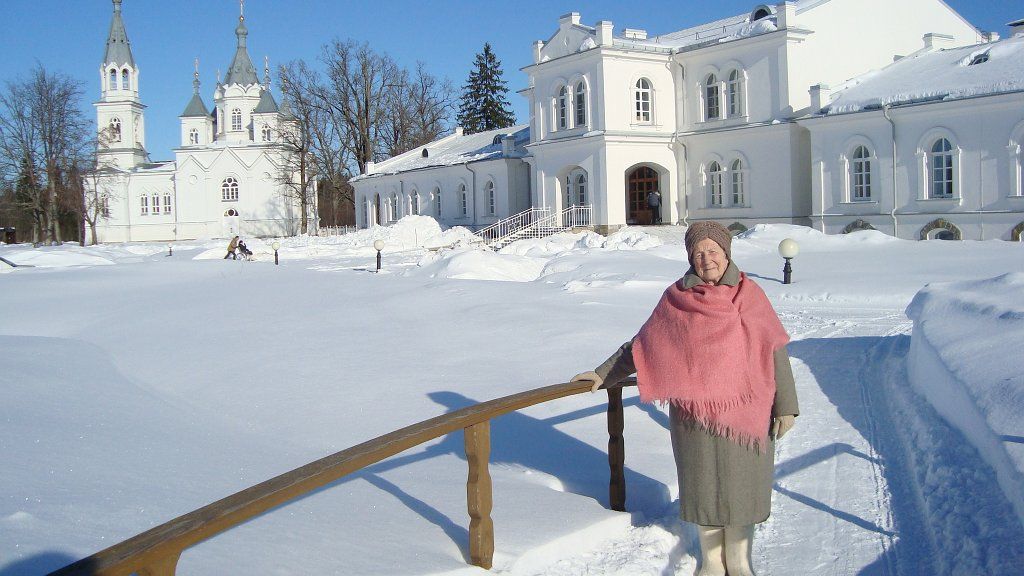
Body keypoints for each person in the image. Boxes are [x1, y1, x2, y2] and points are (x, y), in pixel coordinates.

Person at [571, 221, 798, 576]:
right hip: (694, 416)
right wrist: (603, 373)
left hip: (747, 411)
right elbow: (644, 345)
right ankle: (711, 560)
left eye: (713, 250)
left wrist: (786, 406)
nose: (707, 258)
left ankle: (738, 561)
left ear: (726, 253)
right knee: (702, 483)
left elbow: (774, 349)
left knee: (742, 486)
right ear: (691, 257)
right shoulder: (676, 297)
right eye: (698, 252)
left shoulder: (750, 294)